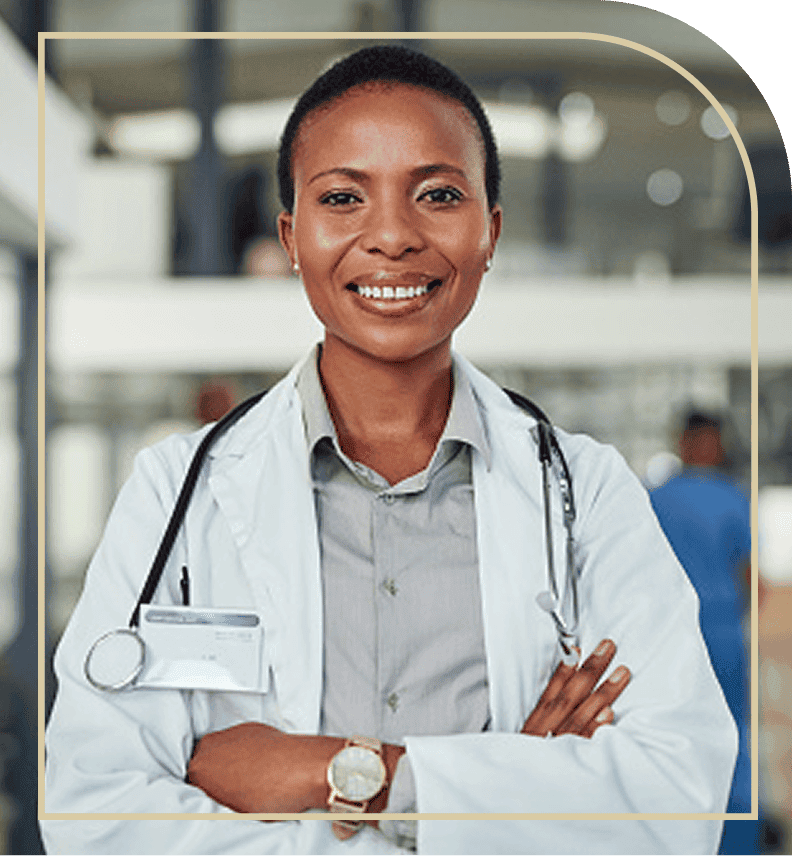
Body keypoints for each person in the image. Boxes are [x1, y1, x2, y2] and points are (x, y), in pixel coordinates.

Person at [42, 46, 737, 856]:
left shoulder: (586, 490)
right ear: (291, 238)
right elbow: (96, 817)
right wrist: (507, 789)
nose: (393, 236)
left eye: (438, 195)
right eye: (343, 197)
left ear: (491, 233)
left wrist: (353, 773)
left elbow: (675, 805)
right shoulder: (175, 492)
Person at [650, 409, 756, 855]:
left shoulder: (653, 498)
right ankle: (738, 838)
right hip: (724, 636)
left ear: (681, 442)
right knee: (734, 734)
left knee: (667, 734)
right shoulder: (732, 498)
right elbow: (750, 578)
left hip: (668, 640)